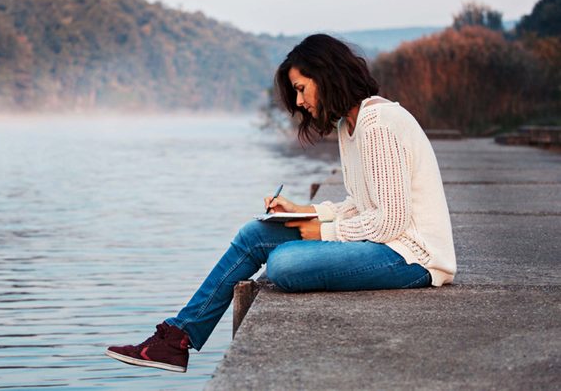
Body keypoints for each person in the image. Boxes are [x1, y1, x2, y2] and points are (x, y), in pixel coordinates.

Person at [105, 34, 457, 373]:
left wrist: (318, 230)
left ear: (327, 75)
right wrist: (303, 211)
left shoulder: (378, 122)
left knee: (284, 264)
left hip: (413, 257)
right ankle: (178, 337)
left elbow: (390, 222)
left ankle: (179, 337)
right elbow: (360, 205)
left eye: (301, 88)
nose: (300, 102)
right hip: (387, 248)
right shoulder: (350, 126)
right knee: (255, 233)